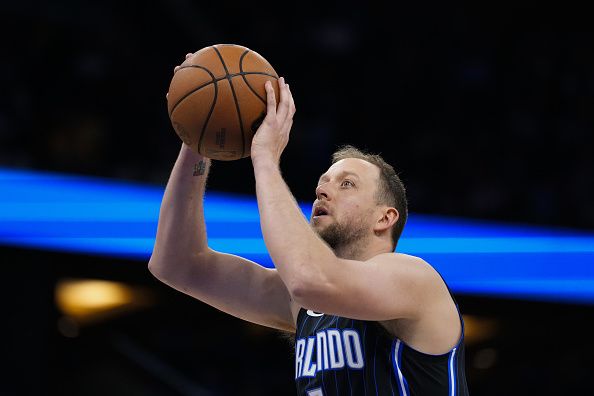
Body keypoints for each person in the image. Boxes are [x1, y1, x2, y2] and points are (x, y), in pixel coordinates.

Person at [149, 53, 469, 395]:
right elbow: (178, 265)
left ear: (385, 217)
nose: (323, 190)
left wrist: (266, 159)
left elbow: (308, 278)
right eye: (324, 182)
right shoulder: (305, 302)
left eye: (346, 184)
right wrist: (198, 139)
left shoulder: (414, 279)